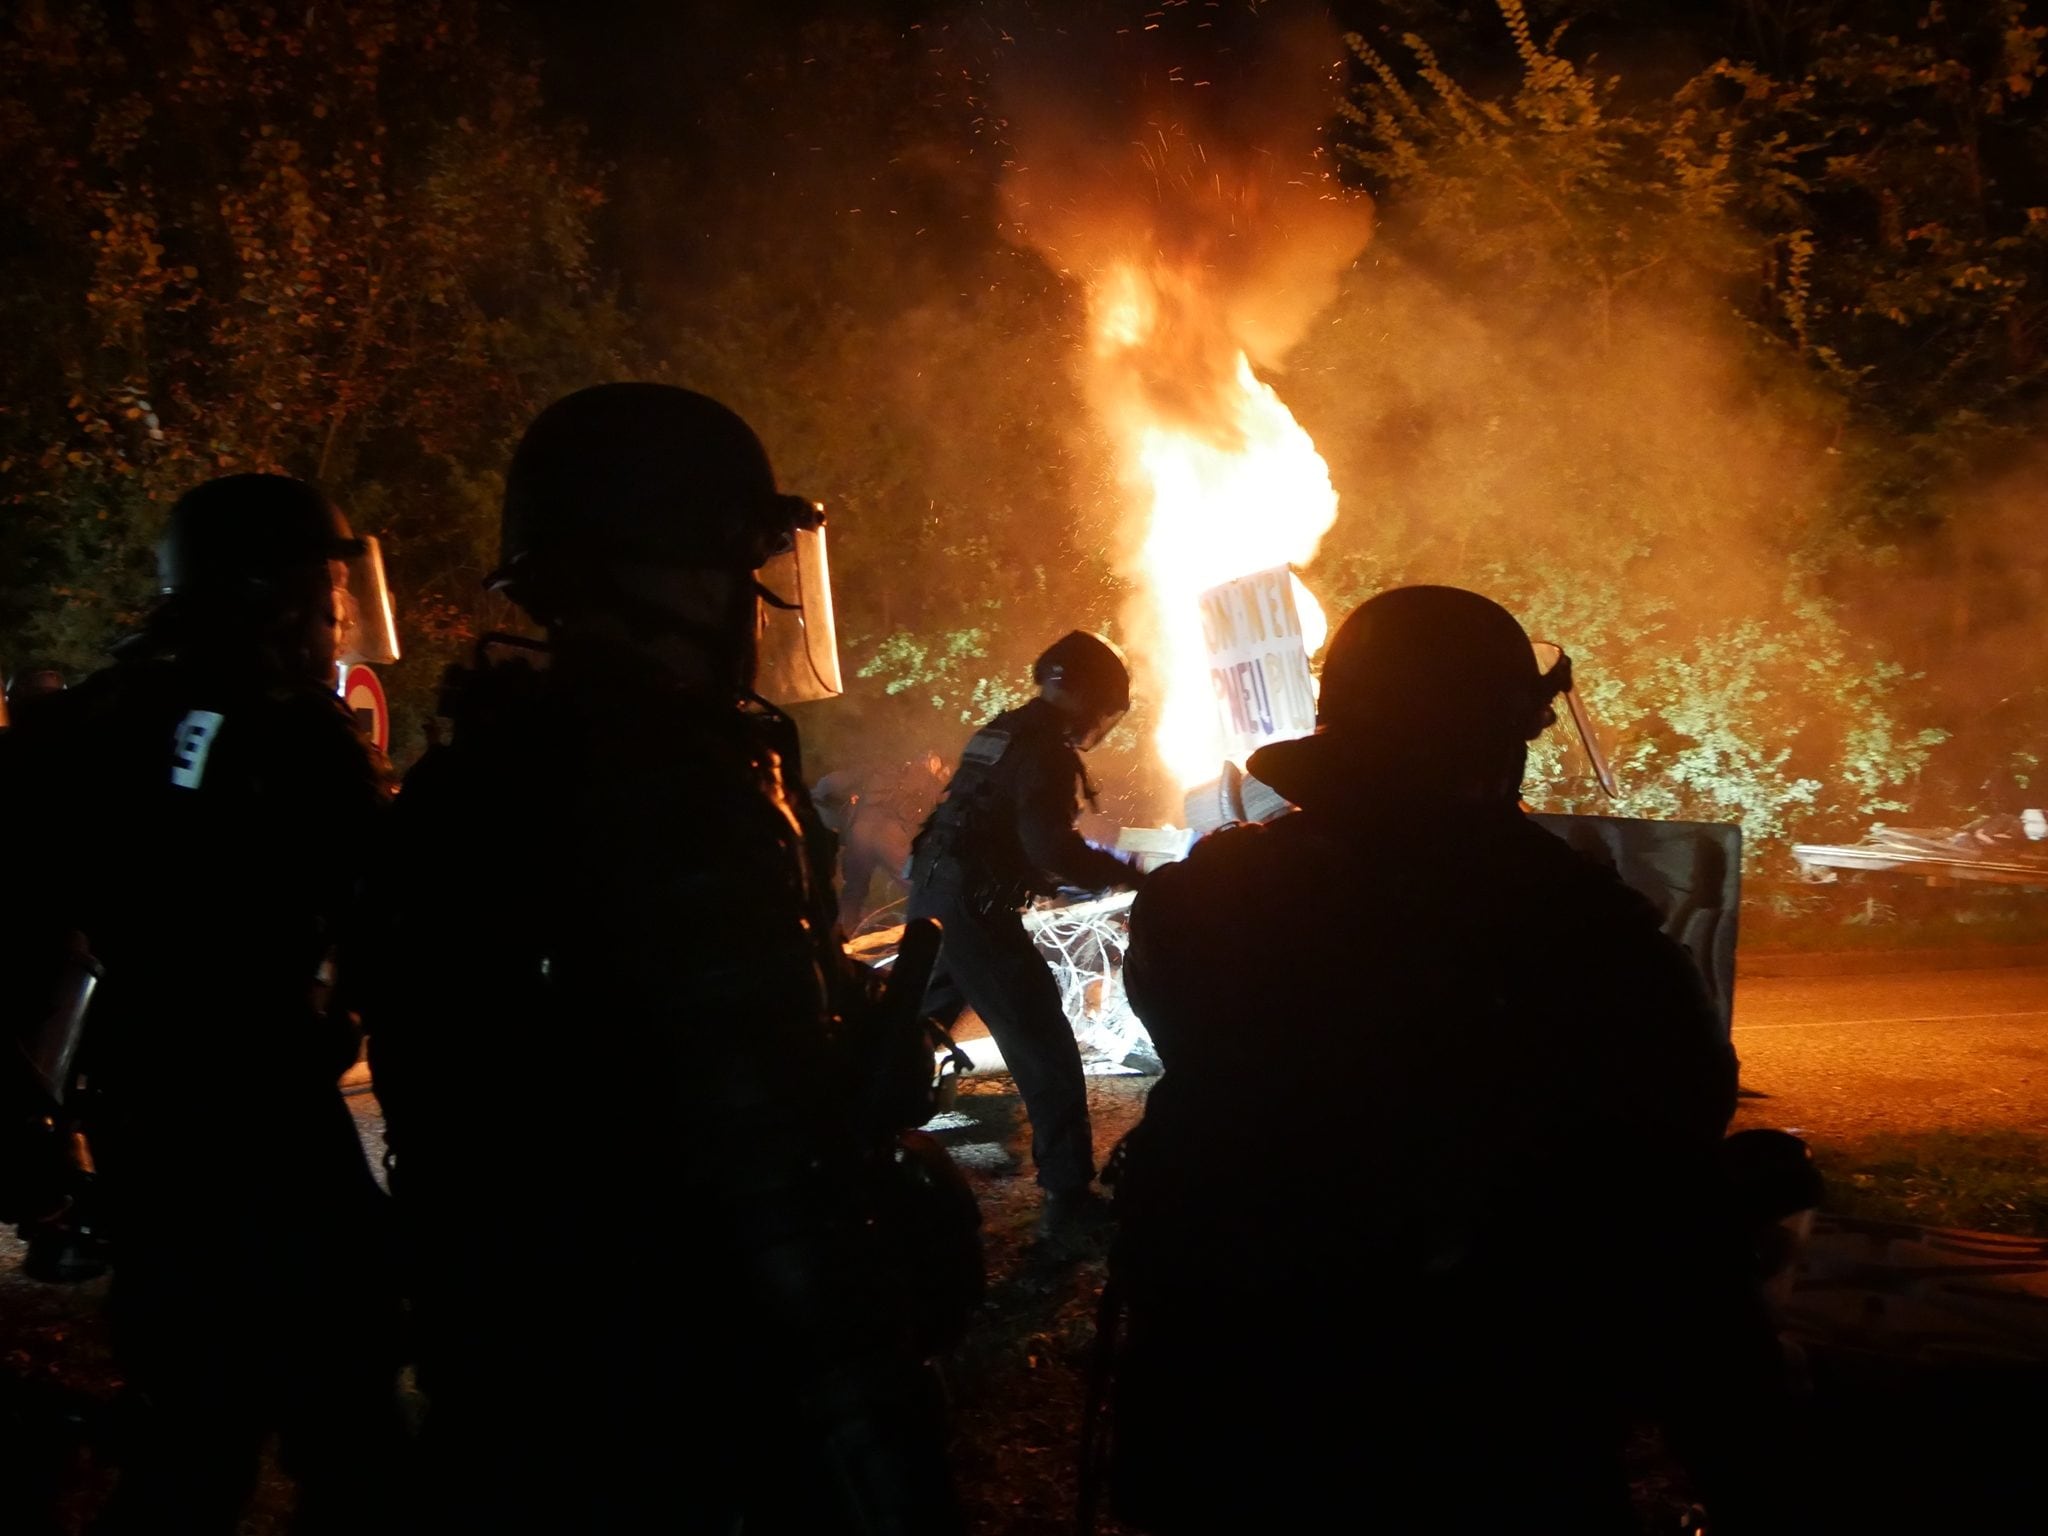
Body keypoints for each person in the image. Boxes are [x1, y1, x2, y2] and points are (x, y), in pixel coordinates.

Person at [355, 383, 965, 1533]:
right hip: (683, 1392)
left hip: (520, 1376)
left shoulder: (473, 779)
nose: (753, 604)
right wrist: (878, 1442)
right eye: (738, 565)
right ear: (664, 575)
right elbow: (762, 1173)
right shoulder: (670, 794)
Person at [1103, 586, 1797, 1534]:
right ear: (1494, 733)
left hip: (1239, 1411)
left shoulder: (1205, 897)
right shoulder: (1573, 922)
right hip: (1478, 1428)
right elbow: (1676, 1124)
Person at [0, 474, 409, 1533]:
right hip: (269, 1119)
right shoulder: (289, 731)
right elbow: (396, 911)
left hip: (143, 1125)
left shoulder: (87, 721)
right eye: (321, 591)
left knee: (191, 1433)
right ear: (264, 592)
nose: (332, 617)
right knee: (352, 1431)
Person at [906, 632, 1142, 1229]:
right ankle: (1068, 1200)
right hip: (976, 911)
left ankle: (848, 1148)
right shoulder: (1044, 751)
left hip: (934, 894)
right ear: (1089, 695)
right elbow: (1049, 845)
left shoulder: (1001, 729)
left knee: (908, 1029)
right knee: (1045, 1047)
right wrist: (1126, 875)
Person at [815, 750, 948, 931]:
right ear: (934, 763)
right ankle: (932, 932)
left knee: (853, 889)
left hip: (859, 831)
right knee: (915, 886)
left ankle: (842, 938)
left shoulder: (884, 770)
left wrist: (814, 793)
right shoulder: (930, 782)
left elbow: (832, 782)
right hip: (891, 837)